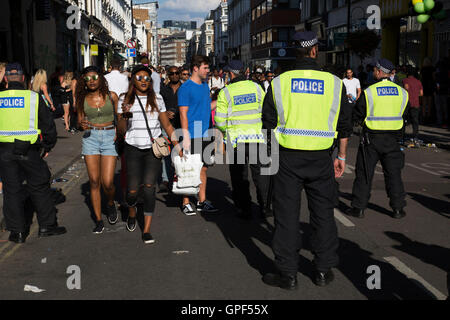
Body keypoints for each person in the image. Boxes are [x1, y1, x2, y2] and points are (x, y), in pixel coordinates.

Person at [261, 32, 352, 290]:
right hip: (322, 157)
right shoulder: (334, 83)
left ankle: (288, 275)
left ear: (295, 52)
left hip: (287, 158)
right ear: (314, 51)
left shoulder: (279, 82)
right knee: (323, 214)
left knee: (286, 217)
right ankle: (323, 270)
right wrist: (341, 156)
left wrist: (271, 153)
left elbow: (267, 124)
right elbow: (344, 125)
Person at [0, 62, 67, 243]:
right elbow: (48, 125)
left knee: (11, 190)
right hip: (29, 150)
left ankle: (17, 232)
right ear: (23, 79)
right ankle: (47, 226)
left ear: (6, 79)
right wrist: (48, 145)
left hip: (5, 151)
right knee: (39, 186)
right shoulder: (33, 98)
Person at [117, 65, 179, 244]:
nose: (143, 81)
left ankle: (146, 229)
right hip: (132, 148)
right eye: (139, 77)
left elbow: (167, 126)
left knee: (150, 187)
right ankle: (131, 211)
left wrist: (178, 147)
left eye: (147, 78)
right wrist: (124, 115)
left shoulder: (157, 98)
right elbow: (121, 131)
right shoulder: (124, 99)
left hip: (152, 149)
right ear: (133, 80)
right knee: (133, 190)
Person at [347, 58, 409, 220]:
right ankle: (397, 208)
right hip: (393, 140)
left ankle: (358, 208)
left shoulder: (369, 92)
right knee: (394, 174)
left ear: (380, 72)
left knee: (365, 174)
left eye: (374, 70)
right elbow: (405, 115)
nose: (373, 72)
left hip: (372, 140)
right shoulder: (402, 92)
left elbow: (358, 115)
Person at [215, 60, 271, 220]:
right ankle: (265, 207)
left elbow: (219, 121)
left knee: (240, 177)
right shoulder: (256, 87)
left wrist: (227, 131)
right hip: (257, 138)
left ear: (231, 74)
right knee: (261, 175)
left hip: (236, 140)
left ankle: (244, 209)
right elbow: (266, 109)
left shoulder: (225, 92)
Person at [76, 66, 119, 234]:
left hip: (109, 138)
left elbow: (120, 118)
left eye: (94, 77)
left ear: (101, 78)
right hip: (90, 139)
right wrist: (81, 124)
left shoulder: (112, 96)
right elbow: (80, 121)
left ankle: (109, 203)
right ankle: (99, 220)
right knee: (94, 181)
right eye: (87, 78)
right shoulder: (81, 99)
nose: (91, 81)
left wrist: (119, 132)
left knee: (107, 182)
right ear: (83, 82)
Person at [178, 55, 219, 215]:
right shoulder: (186, 88)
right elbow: (183, 113)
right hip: (192, 134)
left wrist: (221, 100)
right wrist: (186, 135)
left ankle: (202, 201)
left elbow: (206, 107)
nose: (208, 71)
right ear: (196, 68)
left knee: (203, 169)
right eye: (205, 68)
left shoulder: (203, 86)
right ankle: (185, 202)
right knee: (188, 169)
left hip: (206, 133)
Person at [159, 66, 182, 192]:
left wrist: (178, 113)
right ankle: (166, 179)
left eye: (176, 73)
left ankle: (179, 177)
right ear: (168, 75)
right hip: (166, 124)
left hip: (181, 125)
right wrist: (165, 113)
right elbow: (158, 106)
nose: (174, 75)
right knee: (166, 153)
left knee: (180, 152)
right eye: (171, 73)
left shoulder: (185, 88)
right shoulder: (163, 90)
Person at [403, 67, 423, 145]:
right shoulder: (418, 82)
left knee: (404, 120)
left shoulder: (405, 80)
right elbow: (421, 94)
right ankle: (415, 137)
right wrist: (415, 94)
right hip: (416, 103)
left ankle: (402, 136)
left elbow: (405, 89)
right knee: (415, 121)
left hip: (407, 103)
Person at [420, 57, 435, 124]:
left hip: (424, 86)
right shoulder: (432, 68)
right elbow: (434, 78)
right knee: (429, 103)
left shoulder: (422, 69)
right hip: (430, 86)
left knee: (424, 103)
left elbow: (420, 78)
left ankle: (423, 117)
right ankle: (428, 117)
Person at [435, 59, 449, 128]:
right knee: (445, 108)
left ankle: (440, 121)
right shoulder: (447, 72)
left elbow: (437, 83)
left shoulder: (438, 73)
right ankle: (445, 121)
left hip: (439, 92)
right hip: (445, 92)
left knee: (439, 108)